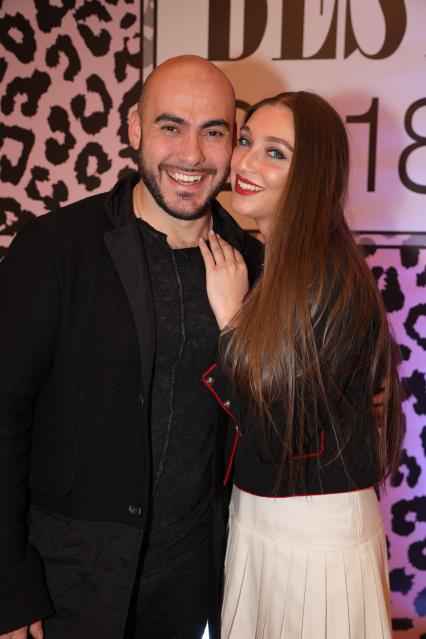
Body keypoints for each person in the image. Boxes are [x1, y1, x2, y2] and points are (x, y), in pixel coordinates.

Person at [0, 55, 262, 639]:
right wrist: (9, 585)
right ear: (135, 129)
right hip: (64, 580)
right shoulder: (56, 247)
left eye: (213, 132)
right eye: (171, 126)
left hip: (192, 583)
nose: (192, 155)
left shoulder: (255, 264)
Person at [200, 91, 404, 638]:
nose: (245, 162)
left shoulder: (325, 274)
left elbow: (276, 430)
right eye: (246, 141)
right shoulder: (278, 260)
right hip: (268, 518)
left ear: (312, 175)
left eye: (275, 153)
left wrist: (231, 321)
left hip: (308, 533)